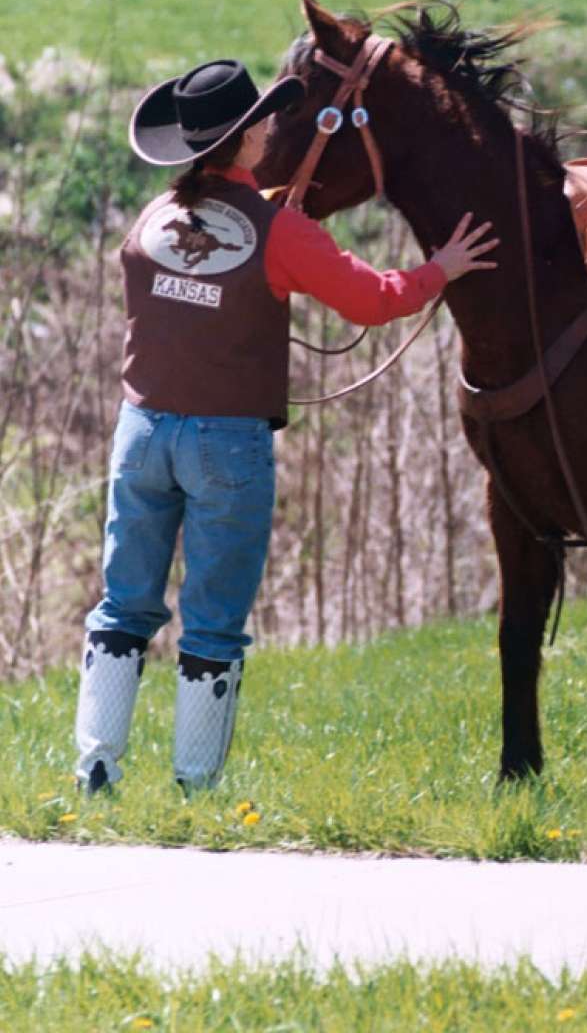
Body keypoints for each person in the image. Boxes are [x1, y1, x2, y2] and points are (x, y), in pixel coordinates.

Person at [75, 58, 497, 794]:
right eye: (264, 122)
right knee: (211, 623)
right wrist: (442, 269)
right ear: (244, 143)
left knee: (122, 605)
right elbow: (372, 301)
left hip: (139, 432)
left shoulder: (152, 220)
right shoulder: (282, 232)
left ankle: (96, 768)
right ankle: (195, 785)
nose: (273, 128)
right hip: (224, 442)